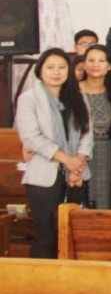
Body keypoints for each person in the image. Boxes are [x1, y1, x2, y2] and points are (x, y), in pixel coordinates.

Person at [15, 48, 92, 258]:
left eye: (61, 67)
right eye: (50, 67)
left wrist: (78, 162)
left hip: (77, 176)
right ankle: (40, 286)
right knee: (46, 235)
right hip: (43, 177)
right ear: (40, 71)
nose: (56, 72)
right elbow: (31, 137)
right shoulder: (28, 99)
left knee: (73, 235)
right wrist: (67, 160)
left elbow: (87, 132)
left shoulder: (79, 96)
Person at [80, 45, 111, 209]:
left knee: (104, 201)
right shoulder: (73, 91)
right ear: (84, 64)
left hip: (107, 154)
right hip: (78, 153)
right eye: (91, 60)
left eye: (101, 61)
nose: (96, 64)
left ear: (109, 66)